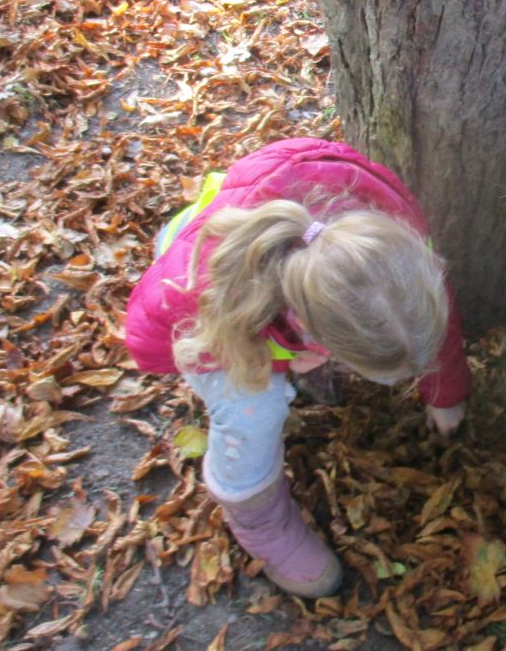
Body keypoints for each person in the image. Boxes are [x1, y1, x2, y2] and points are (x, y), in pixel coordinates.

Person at [125, 138, 470, 598]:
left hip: (275, 276)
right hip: (202, 275)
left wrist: (446, 391)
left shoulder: (395, 248)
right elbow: (147, 344)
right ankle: (256, 515)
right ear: (314, 334)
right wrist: (269, 353)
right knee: (254, 405)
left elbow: (422, 316)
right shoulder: (198, 288)